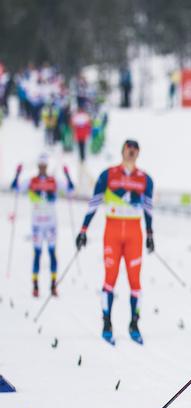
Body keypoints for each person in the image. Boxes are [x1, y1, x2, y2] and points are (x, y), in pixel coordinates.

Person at [75, 139, 154, 345]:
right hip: (112, 233)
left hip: (134, 236)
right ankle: (107, 323)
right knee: (110, 278)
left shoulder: (145, 179)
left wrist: (150, 235)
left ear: (138, 154)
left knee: (135, 281)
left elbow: (148, 210)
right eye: (129, 148)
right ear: (122, 151)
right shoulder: (108, 175)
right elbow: (94, 203)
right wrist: (83, 229)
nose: (132, 152)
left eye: (135, 149)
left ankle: (134, 324)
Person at [10, 154, 74, 297]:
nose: (43, 168)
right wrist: (17, 173)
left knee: (52, 253)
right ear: (38, 166)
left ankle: (53, 284)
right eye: (41, 166)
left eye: (45, 166)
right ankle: (35, 285)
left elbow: (70, 189)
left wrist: (67, 174)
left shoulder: (54, 180)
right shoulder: (32, 181)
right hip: (37, 224)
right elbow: (15, 188)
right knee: (37, 254)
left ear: (47, 166)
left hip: (51, 224)